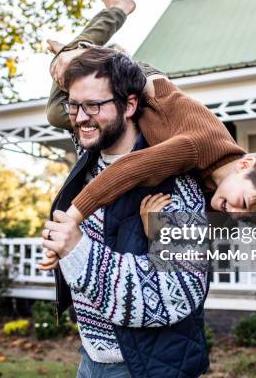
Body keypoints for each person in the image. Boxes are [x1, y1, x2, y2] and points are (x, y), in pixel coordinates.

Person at [39, 0, 256, 272]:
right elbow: (130, 168)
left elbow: (204, 247)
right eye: (246, 203)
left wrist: (155, 227)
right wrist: (72, 218)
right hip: (146, 85)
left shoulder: (224, 199)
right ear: (247, 165)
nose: (237, 213)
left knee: (60, 104)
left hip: (143, 111)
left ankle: (78, 51)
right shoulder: (199, 146)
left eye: (248, 218)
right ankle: (111, 18)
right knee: (61, 87)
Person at [42, 46, 211, 378]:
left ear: (130, 104)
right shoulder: (88, 161)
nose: (79, 118)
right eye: (74, 105)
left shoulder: (176, 182)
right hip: (90, 359)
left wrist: (77, 251)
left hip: (148, 366)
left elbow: (179, 290)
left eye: (93, 105)